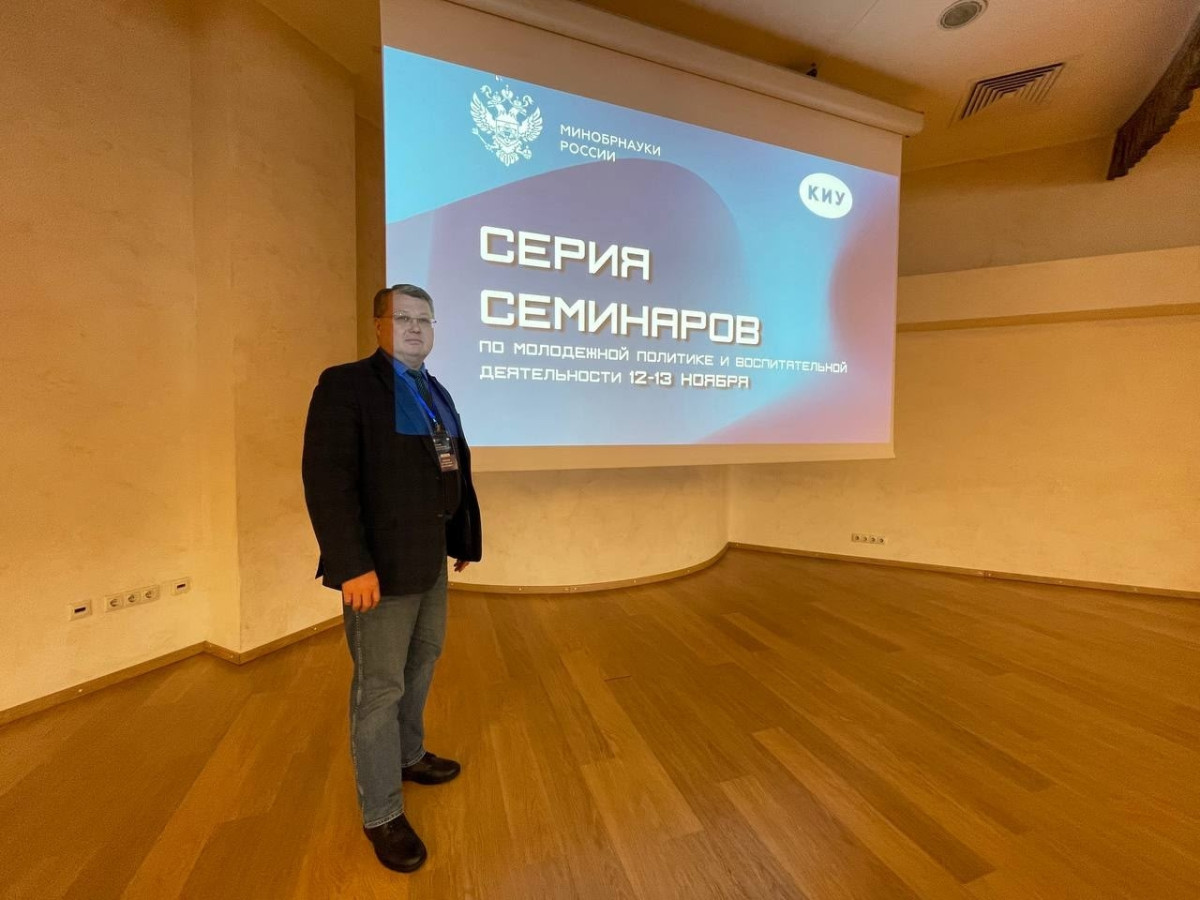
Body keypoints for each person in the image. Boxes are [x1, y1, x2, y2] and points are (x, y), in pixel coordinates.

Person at [302, 283, 482, 873]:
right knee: (380, 688)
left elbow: (449, 470)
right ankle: (381, 812)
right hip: (378, 569)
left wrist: (460, 539)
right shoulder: (347, 385)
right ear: (379, 325)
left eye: (425, 319)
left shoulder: (435, 390)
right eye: (403, 317)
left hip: (428, 559)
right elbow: (328, 481)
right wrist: (352, 565)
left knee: (423, 661)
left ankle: (408, 755)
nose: (415, 328)